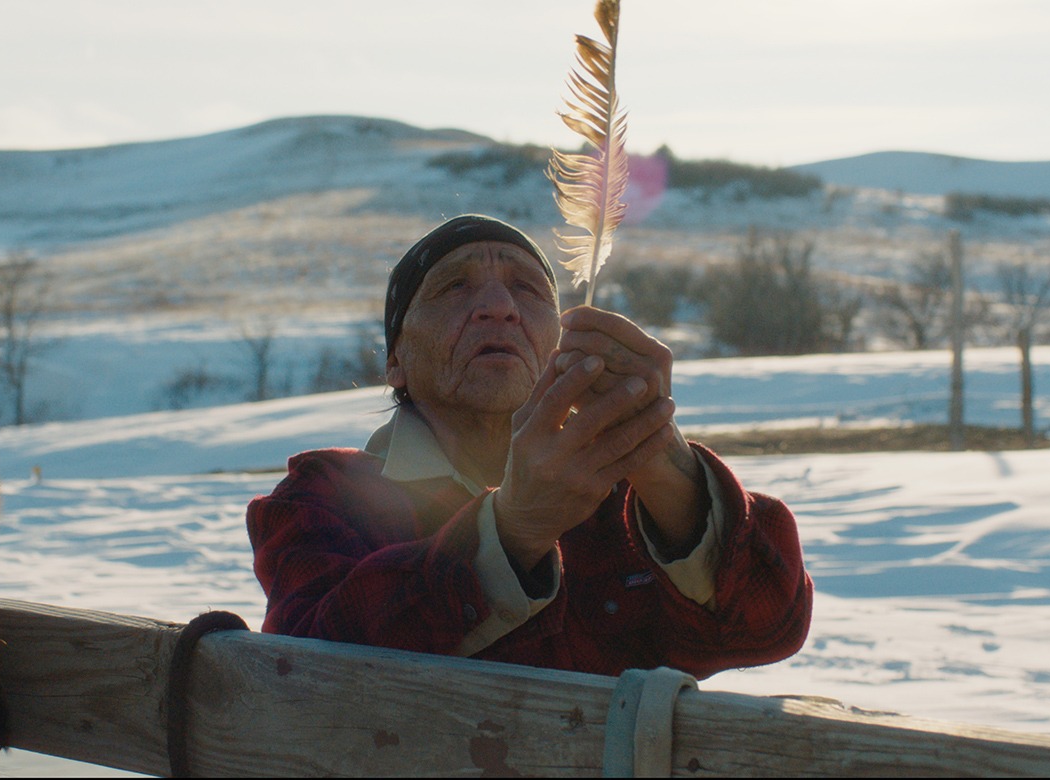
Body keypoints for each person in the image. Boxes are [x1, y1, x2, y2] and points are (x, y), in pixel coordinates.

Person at [247, 214, 812, 679]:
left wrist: (663, 461)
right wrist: (511, 530)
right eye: (453, 287)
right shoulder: (322, 496)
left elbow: (768, 627)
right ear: (396, 361)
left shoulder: (623, 504)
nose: (500, 306)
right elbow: (299, 677)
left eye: (527, 288)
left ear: (560, 342)